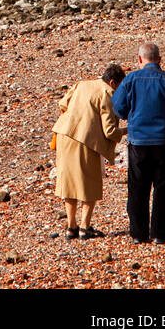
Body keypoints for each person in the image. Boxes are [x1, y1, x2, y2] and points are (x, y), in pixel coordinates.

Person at [112, 41, 165, 244]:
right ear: (159, 59)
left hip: (139, 141)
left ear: (139, 59)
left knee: (138, 187)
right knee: (163, 187)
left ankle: (138, 233)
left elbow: (119, 109)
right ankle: (161, 233)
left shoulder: (131, 80)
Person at [52, 64, 126, 240]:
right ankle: (85, 227)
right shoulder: (108, 93)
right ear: (113, 82)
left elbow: (62, 103)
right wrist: (127, 130)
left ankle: (71, 227)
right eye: (120, 86)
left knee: (69, 184)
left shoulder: (82, 84)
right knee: (89, 184)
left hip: (64, 135)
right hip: (85, 141)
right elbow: (109, 131)